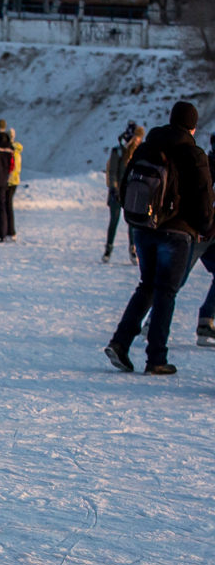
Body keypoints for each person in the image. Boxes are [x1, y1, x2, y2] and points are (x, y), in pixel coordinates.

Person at [105, 101, 214, 375]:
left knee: (147, 286)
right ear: (193, 126)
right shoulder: (194, 153)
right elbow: (203, 198)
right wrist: (206, 226)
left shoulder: (148, 146)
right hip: (176, 233)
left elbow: (128, 185)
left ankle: (119, 342)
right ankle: (156, 358)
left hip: (143, 228)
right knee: (166, 292)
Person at [104, 122, 145, 263]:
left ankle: (133, 249)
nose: (139, 141)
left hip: (131, 192)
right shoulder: (119, 151)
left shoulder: (138, 152)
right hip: (117, 193)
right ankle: (108, 248)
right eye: (138, 137)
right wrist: (114, 189)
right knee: (114, 221)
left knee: (133, 223)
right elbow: (113, 172)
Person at [5, 127, 22, 241]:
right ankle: (9, 230)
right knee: (8, 205)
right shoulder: (17, 150)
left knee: (6, 206)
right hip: (15, 180)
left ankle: (9, 230)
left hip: (8, 180)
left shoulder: (9, 150)